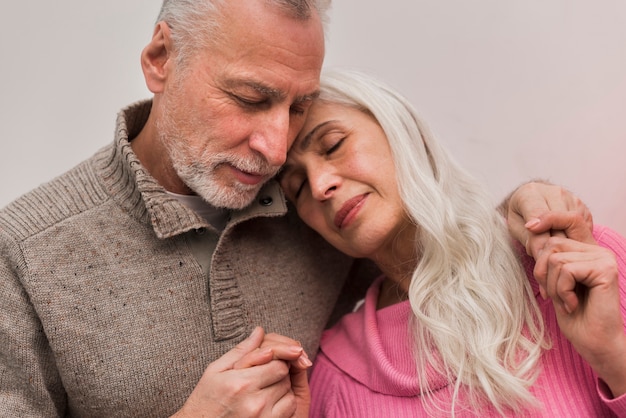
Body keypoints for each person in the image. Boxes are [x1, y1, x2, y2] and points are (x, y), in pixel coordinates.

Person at [0, 1, 593, 417]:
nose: (276, 148)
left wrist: (522, 209)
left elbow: (421, 253)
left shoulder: (309, 205)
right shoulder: (25, 253)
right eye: (250, 99)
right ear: (160, 57)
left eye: (299, 106)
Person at [277, 69, 626, 417]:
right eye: (298, 187)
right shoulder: (334, 379)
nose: (320, 185)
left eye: (333, 145)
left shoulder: (583, 268)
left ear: (400, 129)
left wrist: (611, 354)